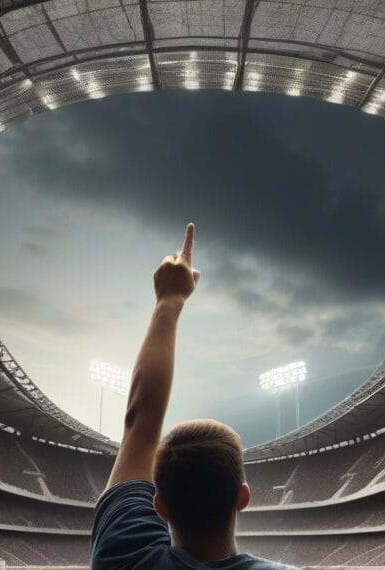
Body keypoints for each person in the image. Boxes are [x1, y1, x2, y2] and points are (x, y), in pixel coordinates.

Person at [91, 223, 294, 569]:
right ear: (242, 497)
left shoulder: (123, 557)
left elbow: (140, 425)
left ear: (161, 506)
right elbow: (141, 426)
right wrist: (170, 301)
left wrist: (169, 301)